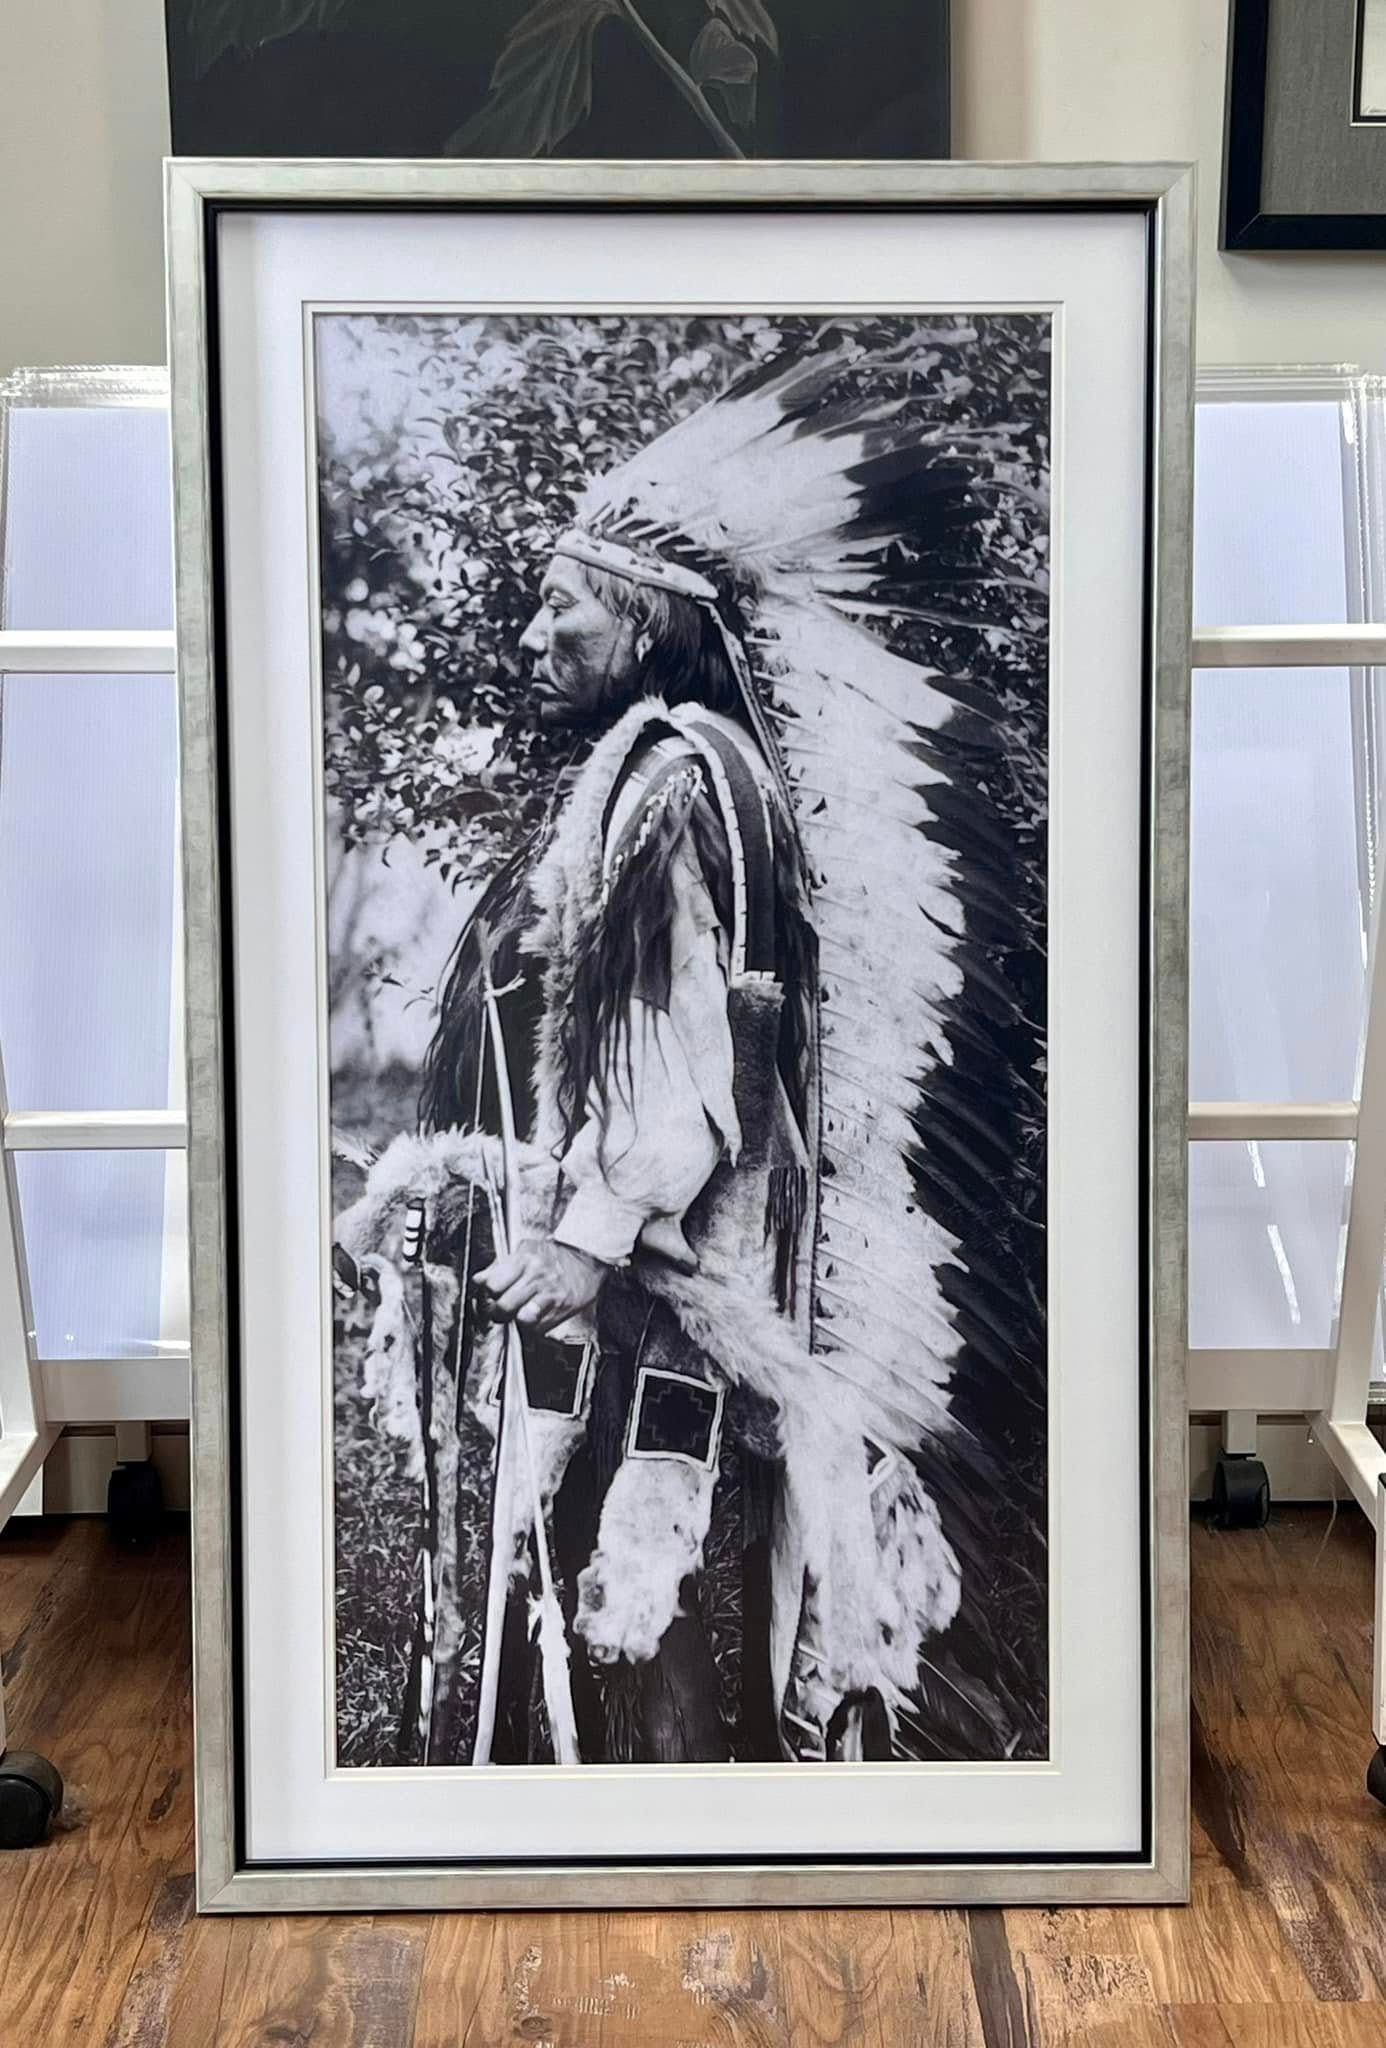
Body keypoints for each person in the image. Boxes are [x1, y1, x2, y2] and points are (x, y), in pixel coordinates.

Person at [336, 352, 969, 1772]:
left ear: (639, 621)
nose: (532, 630)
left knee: (642, 1554)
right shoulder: (699, 765)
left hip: (679, 1264)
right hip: (702, 1255)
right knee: (654, 1559)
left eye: (560, 602)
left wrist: (585, 1240)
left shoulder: (671, 783)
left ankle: (659, 1823)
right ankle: (665, 1807)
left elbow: (685, 1070)